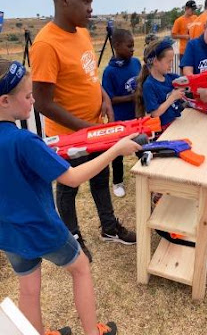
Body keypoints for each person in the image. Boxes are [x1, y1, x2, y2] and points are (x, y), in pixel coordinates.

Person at [0, 59, 142, 335]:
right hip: (41, 228)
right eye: (28, 96)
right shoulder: (24, 141)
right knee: (81, 268)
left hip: (8, 233)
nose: (32, 103)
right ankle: (93, 331)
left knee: (28, 290)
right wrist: (115, 149)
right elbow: (73, 178)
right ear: (5, 101)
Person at [30, 0, 136, 264]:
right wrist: (87, 130)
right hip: (70, 137)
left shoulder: (84, 33)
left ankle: (109, 228)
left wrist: (103, 97)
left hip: (94, 127)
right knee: (68, 187)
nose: (91, 7)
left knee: (100, 177)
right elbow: (42, 103)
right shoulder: (45, 45)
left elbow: (89, 76)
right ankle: (73, 237)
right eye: (86, 0)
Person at [102, 29, 141, 198]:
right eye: (129, 46)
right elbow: (110, 99)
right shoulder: (109, 72)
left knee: (142, 146)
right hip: (119, 120)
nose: (133, 49)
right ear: (117, 46)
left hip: (137, 116)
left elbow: (141, 83)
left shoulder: (136, 63)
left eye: (133, 46)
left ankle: (147, 174)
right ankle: (117, 182)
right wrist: (131, 97)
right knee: (118, 154)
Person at [136, 38, 185, 129]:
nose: (171, 65)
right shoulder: (149, 85)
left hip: (175, 124)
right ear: (155, 62)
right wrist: (173, 97)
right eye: (169, 62)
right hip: (163, 131)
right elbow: (155, 113)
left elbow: (188, 81)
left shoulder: (171, 77)